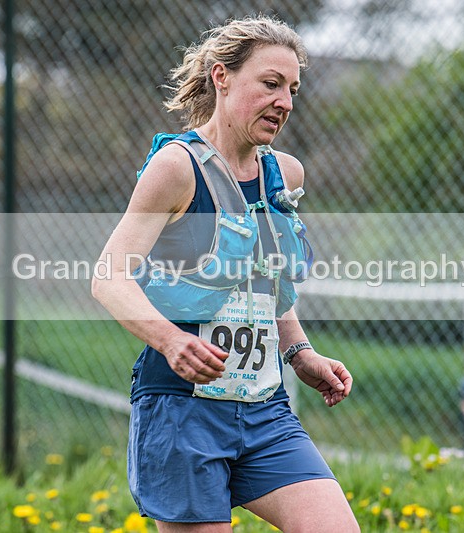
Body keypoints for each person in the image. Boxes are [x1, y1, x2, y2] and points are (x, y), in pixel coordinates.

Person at [91, 14, 359, 533]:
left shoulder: (286, 174)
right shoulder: (176, 168)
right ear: (222, 77)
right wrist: (171, 341)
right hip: (181, 411)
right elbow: (108, 276)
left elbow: (268, 283)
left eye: (292, 89)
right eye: (270, 83)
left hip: (265, 409)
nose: (284, 101)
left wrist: (299, 352)